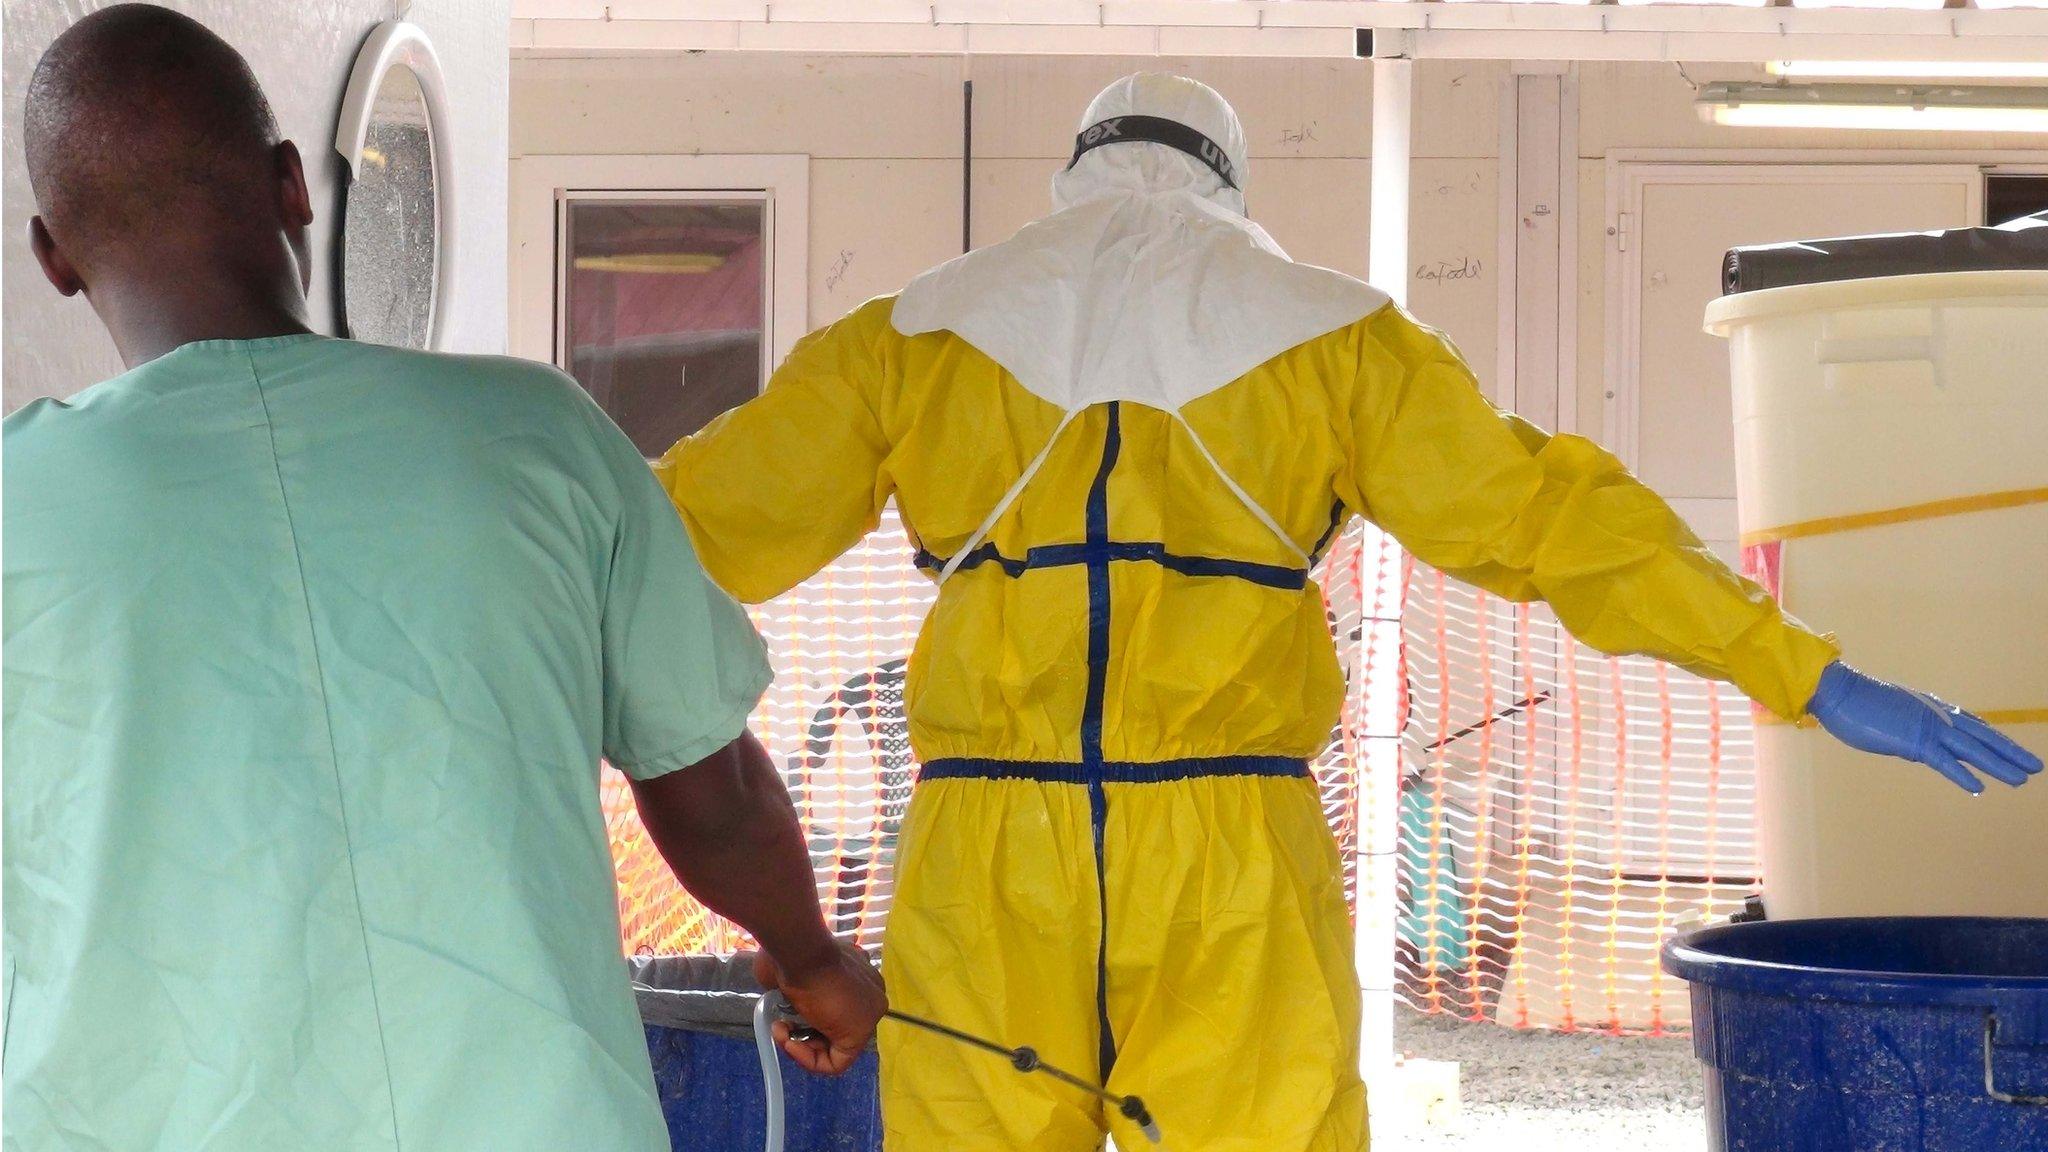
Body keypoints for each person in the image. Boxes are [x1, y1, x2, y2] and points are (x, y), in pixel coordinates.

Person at [655, 72, 2040, 1151]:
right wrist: (1798, 668)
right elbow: (1557, 524)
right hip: (1233, 857)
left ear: (1071, 180)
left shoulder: (912, 339)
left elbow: (671, 535)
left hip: (981, 860)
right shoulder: (1332, 340)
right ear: (1233, 188)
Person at [1, 7, 883, 1151]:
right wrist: (814, 962)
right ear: (293, 186)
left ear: (54, 257)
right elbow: (712, 798)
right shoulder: (535, 436)